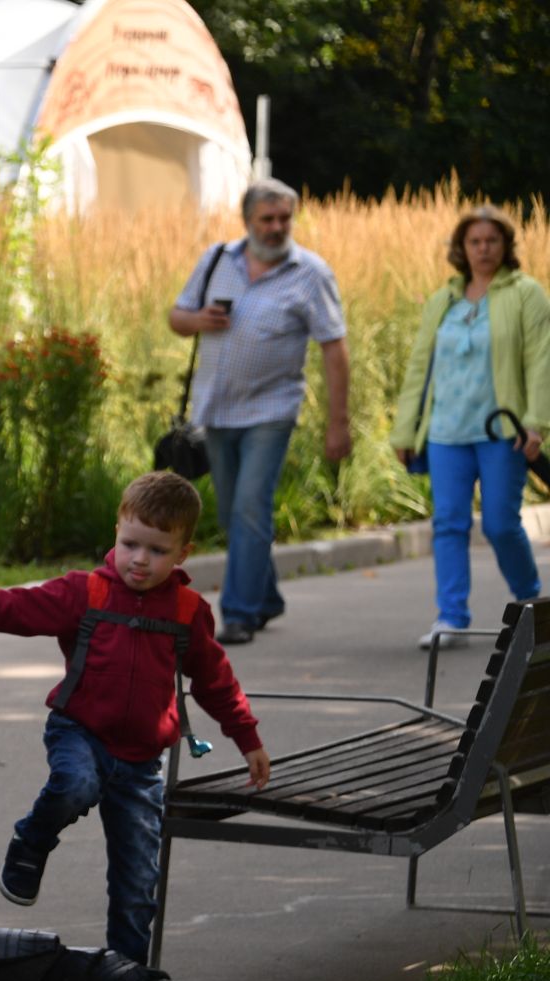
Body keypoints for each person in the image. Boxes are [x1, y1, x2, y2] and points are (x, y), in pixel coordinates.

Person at [0, 472, 270, 965]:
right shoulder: (84, 593)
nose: (139, 559)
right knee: (75, 786)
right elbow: (9, 609)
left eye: (156, 550)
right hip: (80, 733)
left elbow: (216, 679)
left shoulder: (187, 611)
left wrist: (248, 737)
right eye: (130, 543)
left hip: (140, 765)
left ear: (183, 553)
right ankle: (31, 841)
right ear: (116, 530)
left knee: (137, 884)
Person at [168, 177, 352, 646]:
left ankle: (239, 612)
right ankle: (267, 597)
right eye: (266, 219)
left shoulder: (311, 273)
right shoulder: (217, 259)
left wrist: (338, 421)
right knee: (233, 514)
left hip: (272, 409)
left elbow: (335, 347)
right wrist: (199, 320)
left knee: (251, 506)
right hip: (215, 408)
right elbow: (176, 317)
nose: (276, 228)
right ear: (247, 220)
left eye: (284, 218)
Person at [390, 205, 547, 649]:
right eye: (474, 242)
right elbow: (420, 366)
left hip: (502, 432)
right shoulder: (444, 300)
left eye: (491, 241)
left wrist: (536, 424)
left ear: (506, 246)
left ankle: (531, 603)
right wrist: (406, 431)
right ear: (462, 248)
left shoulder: (526, 294)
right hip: (445, 432)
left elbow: (541, 361)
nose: (483, 249)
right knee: (449, 524)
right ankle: (451, 617)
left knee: (500, 524)